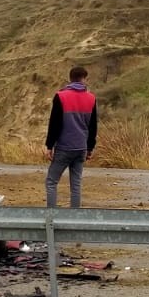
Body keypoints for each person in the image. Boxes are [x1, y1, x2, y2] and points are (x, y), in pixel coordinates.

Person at [44, 65, 98, 208]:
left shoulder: (60, 96)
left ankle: (52, 216)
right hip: (81, 147)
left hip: (63, 147)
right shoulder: (91, 98)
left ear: (70, 79)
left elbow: (54, 124)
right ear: (83, 79)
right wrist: (90, 147)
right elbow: (93, 127)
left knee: (51, 182)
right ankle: (74, 218)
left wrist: (49, 146)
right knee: (76, 185)